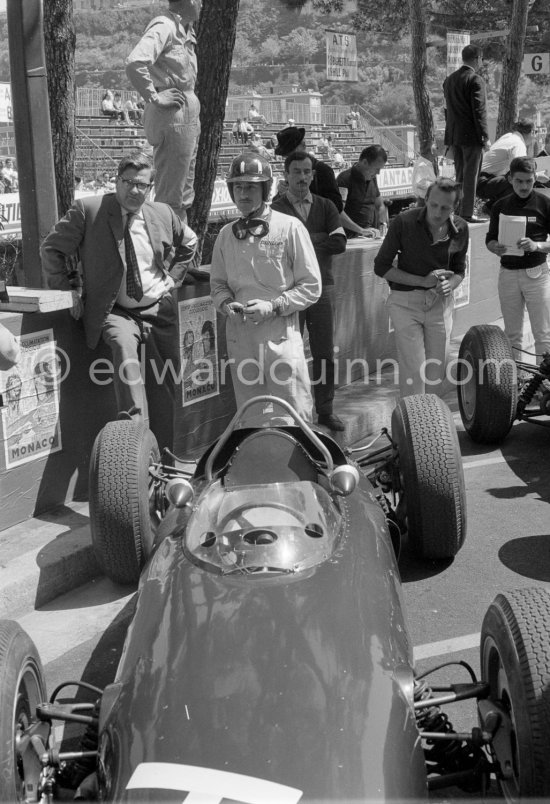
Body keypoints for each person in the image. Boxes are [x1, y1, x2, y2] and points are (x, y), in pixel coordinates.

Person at [40, 153, 198, 452]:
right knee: (126, 356)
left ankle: (168, 459)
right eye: (128, 183)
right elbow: (52, 249)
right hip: (116, 311)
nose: (135, 191)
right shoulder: (89, 209)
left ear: (151, 187)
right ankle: (133, 449)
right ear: (116, 181)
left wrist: (173, 279)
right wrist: (67, 291)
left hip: (158, 309)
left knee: (171, 382)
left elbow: (189, 242)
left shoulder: (162, 212)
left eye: (142, 185)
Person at [209, 153, 321, 424]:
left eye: (250, 186)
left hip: (279, 336)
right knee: (250, 418)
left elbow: (312, 286)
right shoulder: (225, 235)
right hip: (240, 337)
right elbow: (218, 285)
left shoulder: (290, 227)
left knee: (294, 414)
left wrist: (273, 306)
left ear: (266, 188)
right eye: (238, 186)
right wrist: (226, 305)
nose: (243, 193)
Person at [272, 151, 347, 430]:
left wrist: (300, 244)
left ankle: (325, 410)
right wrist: (319, 239)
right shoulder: (275, 208)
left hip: (321, 289)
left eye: (307, 172)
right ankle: (291, 412)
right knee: (289, 352)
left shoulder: (326, 206)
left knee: (324, 352)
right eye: (296, 172)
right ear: (286, 175)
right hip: (288, 291)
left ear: (313, 175)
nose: (302, 177)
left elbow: (340, 244)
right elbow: (276, 250)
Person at [374, 178, 468, 396]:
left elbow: (459, 270)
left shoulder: (461, 227)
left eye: (445, 208)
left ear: (454, 208)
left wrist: (450, 285)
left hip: (440, 303)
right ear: (425, 199)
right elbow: (381, 267)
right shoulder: (403, 222)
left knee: (436, 371)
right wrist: (422, 281)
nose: (437, 212)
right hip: (405, 302)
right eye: (433, 205)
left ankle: (433, 423)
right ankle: (414, 424)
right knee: (413, 370)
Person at [126, 0, 202, 222]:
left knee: (183, 192)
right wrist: (155, 96)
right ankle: (168, 247)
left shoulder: (185, 31)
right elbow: (135, 62)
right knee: (171, 194)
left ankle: (179, 243)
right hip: (173, 112)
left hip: (185, 109)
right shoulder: (165, 26)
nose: (201, 4)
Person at [485, 156, 550, 360]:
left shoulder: (544, 203)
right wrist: (494, 247)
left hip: (537, 273)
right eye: (519, 181)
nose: (524, 186)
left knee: (543, 334)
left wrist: (537, 245)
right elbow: (490, 239)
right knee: (512, 335)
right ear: (510, 178)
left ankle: (543, 387)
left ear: (534, 179)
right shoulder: (500, 206)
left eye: (529, 181)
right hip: (508, 274)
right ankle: (516, 383)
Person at [443, 44, 490, 222]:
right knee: (471, 174)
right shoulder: (475, 80)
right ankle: (467, 212)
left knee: (460, 174)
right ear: (478, 58)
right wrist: (484, 136)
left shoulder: (449, 80)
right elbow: (479, 111)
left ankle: (457, 209)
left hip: (455, 135)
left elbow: (446, 110)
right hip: (471, 136)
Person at [273, 125, 343, 212]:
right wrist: (281, 194)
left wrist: (304, 197)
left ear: (303, 146)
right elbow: (276, 208)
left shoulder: (322, 170)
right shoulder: (290, 170)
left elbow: (337, 207)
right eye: (286, 155)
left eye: (291, 153)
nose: (288, 159)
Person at [477, 120, 534, 210]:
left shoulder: (508, 136)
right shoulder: (518, 144)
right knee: (518, 180)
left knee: (513, 177)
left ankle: (491, 206)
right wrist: (536, 176)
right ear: (531, 132)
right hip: (484, 182)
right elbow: (521, 168)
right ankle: (493, 207)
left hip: (478, 180)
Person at [337, 144, 388, 237]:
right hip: (349, 238)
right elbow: (338, 212)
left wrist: (382, 224)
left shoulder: (372, 178)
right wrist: (361, 230)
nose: (378, 173)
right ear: (364, 162)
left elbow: (380, 205)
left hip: (369, 236)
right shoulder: (344, 179)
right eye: (377, 169)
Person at [411, 141, 438, 206]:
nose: (438, 149)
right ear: (431, 151)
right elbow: (421, 183)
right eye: (437, 147)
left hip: (426, 200)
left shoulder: (425, 163)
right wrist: (437, 184)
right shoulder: (422, 165)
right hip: (424, 202)